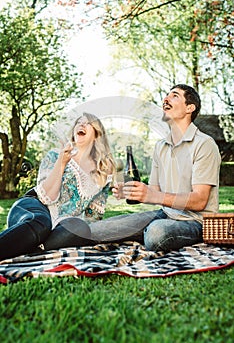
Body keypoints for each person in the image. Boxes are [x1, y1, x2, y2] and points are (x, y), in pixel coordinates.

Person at [87, 84, 221, 252]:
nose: (165, 99)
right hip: (165, 214)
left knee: (157, 233)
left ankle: (141, 231)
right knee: (98, 229)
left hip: (195, 221)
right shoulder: (161, 146)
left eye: (174, 96)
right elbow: (154, 190)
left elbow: (200, 200)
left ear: (190, 108)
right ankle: (44, 240)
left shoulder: (204, 144)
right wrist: (130, 191)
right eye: (166, 95)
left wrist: (153, 195)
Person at [0, 112, 116, 261]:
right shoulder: (56, 155)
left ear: (97, 134)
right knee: (42, 223)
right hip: (33, 208)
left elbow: (93, 217)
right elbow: (46, 197)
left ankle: (33, 249)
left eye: (87, 123)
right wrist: (61, 163)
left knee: (81, 229)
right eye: (78, 122)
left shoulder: (103, 171)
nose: (81, 124)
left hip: (63, 226)